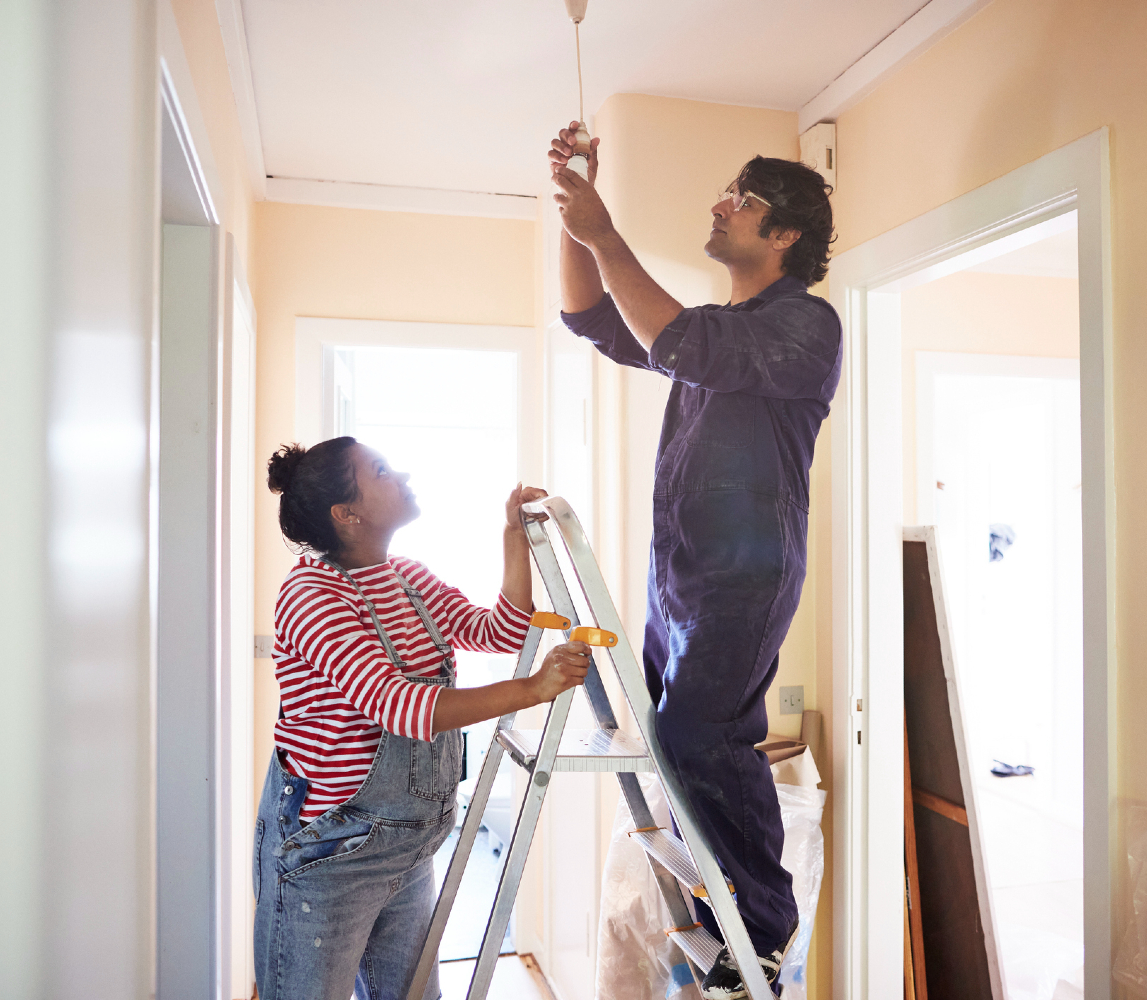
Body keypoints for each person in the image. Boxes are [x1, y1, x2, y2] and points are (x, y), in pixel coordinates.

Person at [548, 123, 842, 999]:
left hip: (744, 579)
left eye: (742, 197)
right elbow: (591, 317)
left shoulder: (804, 325)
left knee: (700, 736)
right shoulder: (723, 325)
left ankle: (760, 934)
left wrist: (604, 230)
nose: (721, 204)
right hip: (680, 578)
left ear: (784, 233)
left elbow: (677, 341)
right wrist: (575, 214)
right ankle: (724, 922)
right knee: (671, 744)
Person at [255, 436, 590, 1000]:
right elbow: (401, 707)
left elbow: (498, 630)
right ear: (347, 514)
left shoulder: (406, 578)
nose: (401, 472)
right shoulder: (311, 595)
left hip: (407, 846)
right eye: (381, 471)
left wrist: (513, 536)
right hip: (333, 853)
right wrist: (533, 690)